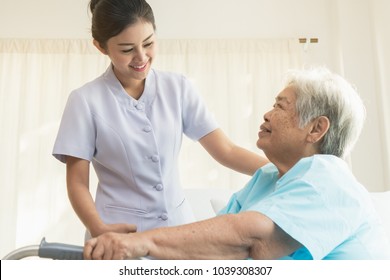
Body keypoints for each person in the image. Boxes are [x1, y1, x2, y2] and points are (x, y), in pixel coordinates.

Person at [83, 67, 390, 260]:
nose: (267, 115)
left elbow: (250, 239)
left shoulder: (329, 174)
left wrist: (140, 243)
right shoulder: (268, 178)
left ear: (316, 129)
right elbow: (210, 248)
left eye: (280, 107)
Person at [52, 0, 268, 240]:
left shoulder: (178, 88)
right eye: (126, 49)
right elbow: (77, 183)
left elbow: (225, 150)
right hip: (117, 235)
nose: (141, 57)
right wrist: (97, 227)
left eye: (148, 43)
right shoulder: (85, 100)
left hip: (179, 232)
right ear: (101, 47)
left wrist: (284, 171)